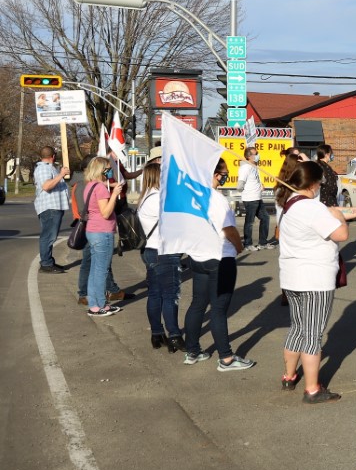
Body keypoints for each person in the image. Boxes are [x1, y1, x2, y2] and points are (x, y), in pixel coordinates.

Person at [277, 160, 356, 401]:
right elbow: (341, 232)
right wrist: (340, 217)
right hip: (314, 280)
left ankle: (289, 376)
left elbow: (333, 212)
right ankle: (313, 388)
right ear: (314, 183)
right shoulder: (310, 208)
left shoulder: (292, 204)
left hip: (292, 277)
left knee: (298, 328)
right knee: (313, 334)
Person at [183, 164, 251, 370]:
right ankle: (226, 358)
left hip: (198, 256)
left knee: (197, 304)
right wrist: (239, 246)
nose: (225, 179)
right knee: (218, 309)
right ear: (214, 174)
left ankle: (192, 351)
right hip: (219, 257)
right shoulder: (217, 199)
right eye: (223, 175)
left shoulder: (191, 196)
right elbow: (229, 228)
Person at [136, 161, 183, 351]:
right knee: (170, 295)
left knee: (155, 294)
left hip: (150, 249)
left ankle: (157, 333)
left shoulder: (145, 197)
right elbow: (176, 220)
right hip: (163, 250)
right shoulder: (157, 199)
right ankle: (174, 335)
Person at [81, 156, 125, 318]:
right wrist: (114, 194)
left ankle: (96, 304)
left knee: (95, 269)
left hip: (93, 231)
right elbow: (106, 213)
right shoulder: (100, 188)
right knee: (101, 271)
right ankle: (99, 305)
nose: (110, 171)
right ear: (101, 170)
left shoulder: (90, 186)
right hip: (102, 232)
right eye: (108, 168)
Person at [33, 145, 71, 273]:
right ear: (53, 156)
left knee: (50, 236)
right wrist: (60, 175)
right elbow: (46, 186)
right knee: (48, 236)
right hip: (49, 207)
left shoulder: (49, 168)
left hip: (54, 206)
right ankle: (46, 264)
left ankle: (48, 260)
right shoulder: (43, 169)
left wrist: (61, 174)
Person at [238, 146, 271, 251]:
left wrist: (260, 185)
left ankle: (263, 243)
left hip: (257, 197)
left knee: (265, 218)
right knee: (250, 221)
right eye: (255, 154)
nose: (257, 155)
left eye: (257, 153)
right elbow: (240, 184)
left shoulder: (254, 166)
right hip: (250, 199)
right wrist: (244, 189)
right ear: (249, 156)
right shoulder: (245, 167)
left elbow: (254, 180)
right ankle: (248, 244)